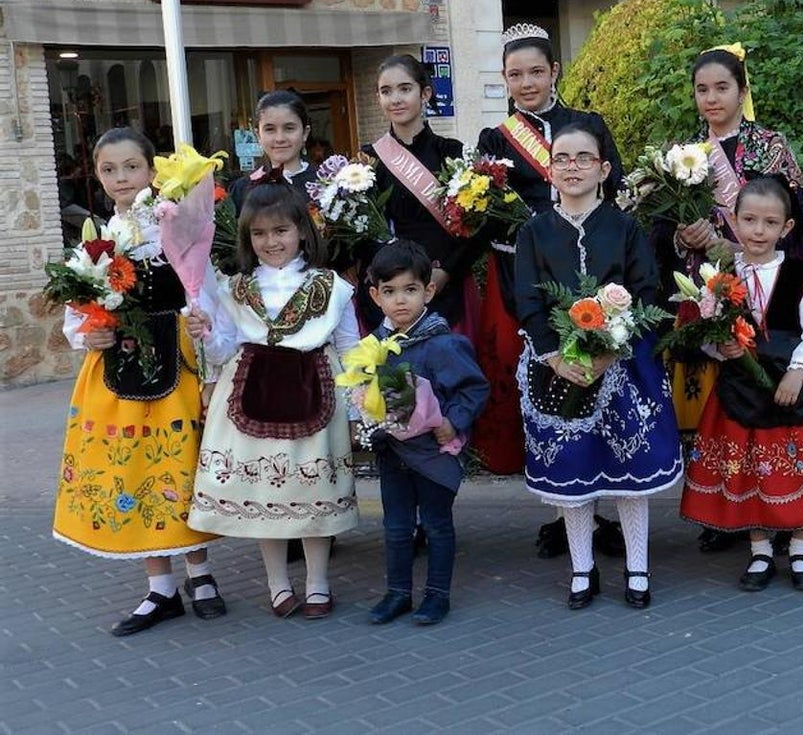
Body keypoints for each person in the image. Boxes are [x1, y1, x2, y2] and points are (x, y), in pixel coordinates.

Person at [52, 127, 226, 636]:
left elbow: (205, 291)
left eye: (131, 167)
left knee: (180, 468)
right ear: (98, 176)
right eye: (109, 169)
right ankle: (160, 587)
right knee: (134, 469)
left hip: (177, 362)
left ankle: (201, 574)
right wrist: (90, 334)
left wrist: (205, 329)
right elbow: (78, 315)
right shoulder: (96, 243)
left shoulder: (175, 222)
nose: (121, 177)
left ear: (152, 170)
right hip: (117, 373)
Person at [514, 123, 683, 609]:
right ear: (549, 170)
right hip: (556, 367)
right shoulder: (533, 231)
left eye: (584, 158)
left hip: (624, 365)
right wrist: (554, 356)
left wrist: (612, 349)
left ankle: (637, 567)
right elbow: (526, 298)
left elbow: (646, 290)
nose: (573, 167)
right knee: (575, 470)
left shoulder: (625, 227)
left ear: (604, 168)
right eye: (562, 158)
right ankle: (582, 569)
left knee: (629, 471)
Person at [475, 23, 626, 560]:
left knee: (599, 392)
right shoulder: (496, 140)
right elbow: (487, 211)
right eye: (515, 75)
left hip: (590, 275)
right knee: (548, 394)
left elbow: (616, 188)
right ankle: (566, 510)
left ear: (554, 71)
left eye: (536, 71)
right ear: (504, 79)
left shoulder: (587, 125)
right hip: (527, 277)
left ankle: (600, 504)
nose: (527, 83)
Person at [662, 45, 803, 554]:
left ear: (742, 91)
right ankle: (721, 509)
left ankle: (782, 507)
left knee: (765, 398)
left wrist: (736, 247)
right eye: (702, 89)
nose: (711, 98)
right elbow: (661, 230)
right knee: (713, 412)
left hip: (766, 293)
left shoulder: (769, 147)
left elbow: (797, 223)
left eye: (722, 87)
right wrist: (683, 237)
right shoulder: (684, 154)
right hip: (706, 295)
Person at [186, 183, 359, 619]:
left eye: (281, 230)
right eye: (259, 234)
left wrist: (359, 406)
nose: (271, 242)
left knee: (313, 489)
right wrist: (205, 332)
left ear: (302, 230)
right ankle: (277, 583)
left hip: (316, 389)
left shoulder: (333, 286)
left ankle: (317, 582)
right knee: (264, 493)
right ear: (248, 239)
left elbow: (351, 348)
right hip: (249, 390)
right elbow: (223, 349)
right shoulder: (234, 287)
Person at [680, 177, 803, 590]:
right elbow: (704, 331)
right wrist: (720, 347)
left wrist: (799, 370)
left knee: (795, 468)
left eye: (770, 222)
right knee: (751, 470)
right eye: (749, 220)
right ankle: (759, 550)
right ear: (733, 221)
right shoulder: (720, 276)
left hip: (790, 391)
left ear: (787, 227)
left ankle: (800, 548)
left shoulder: (796, 274)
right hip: (741, 392)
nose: (758, 231)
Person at [364, 240, 490, 627]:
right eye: (389, 291)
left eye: (410, 289)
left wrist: (453, 420)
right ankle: (398, 593)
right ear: (376, 296)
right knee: (396, 527)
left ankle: (437, 595)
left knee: (436, 525)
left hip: (434, 453)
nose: (400, 300)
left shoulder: (443, 344)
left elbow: (474, 388)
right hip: (393, 452)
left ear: (428, 291)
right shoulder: (375, 346)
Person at [358, 54, 486, 333]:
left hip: (444, 283)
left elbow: (477, 227)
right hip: (392, 291)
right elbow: (363, 233)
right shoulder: (368, 161)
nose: (396, 99)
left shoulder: (452, 153)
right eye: (386, 91)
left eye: (405, 89)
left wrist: (445, 271)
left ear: (425, 93)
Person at [228, 90, 319, 212]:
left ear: (305, 133)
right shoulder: (242, 189)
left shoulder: (327, 185)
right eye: (270, 129)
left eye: (289, 128)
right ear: (258, 135)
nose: (280, 138)